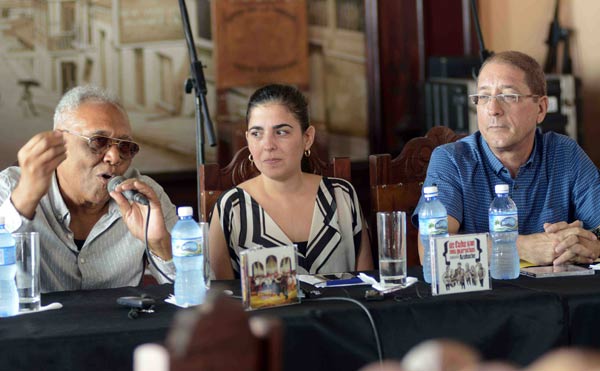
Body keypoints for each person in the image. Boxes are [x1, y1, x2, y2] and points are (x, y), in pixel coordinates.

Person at [413, 51, 600, 266]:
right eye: (483, 97)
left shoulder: (565, 153)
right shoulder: (451, 160)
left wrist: (593, 245)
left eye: (508, 97)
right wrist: (521, 246)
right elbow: (432, 249)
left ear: (541, 109)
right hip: (483, 298)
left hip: (556, 294)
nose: (493, 109)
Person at [0, 85, 177, 292]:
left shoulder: (144, 198)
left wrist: (160, 246)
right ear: (60, 142)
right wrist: (22, 204)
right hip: (36, 325)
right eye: (99, 142)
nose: (114, 157)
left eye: (125, 146)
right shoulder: (10, 187)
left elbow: (199, 298)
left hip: (121, 324)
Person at [209, 84, 372, 279]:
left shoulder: (341, 195)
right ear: (248, 140)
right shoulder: (231, 207)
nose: (268, 145)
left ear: (307, 138)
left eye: (281, 132)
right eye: (256, 133)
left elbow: (367, 286)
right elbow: (221, 300)